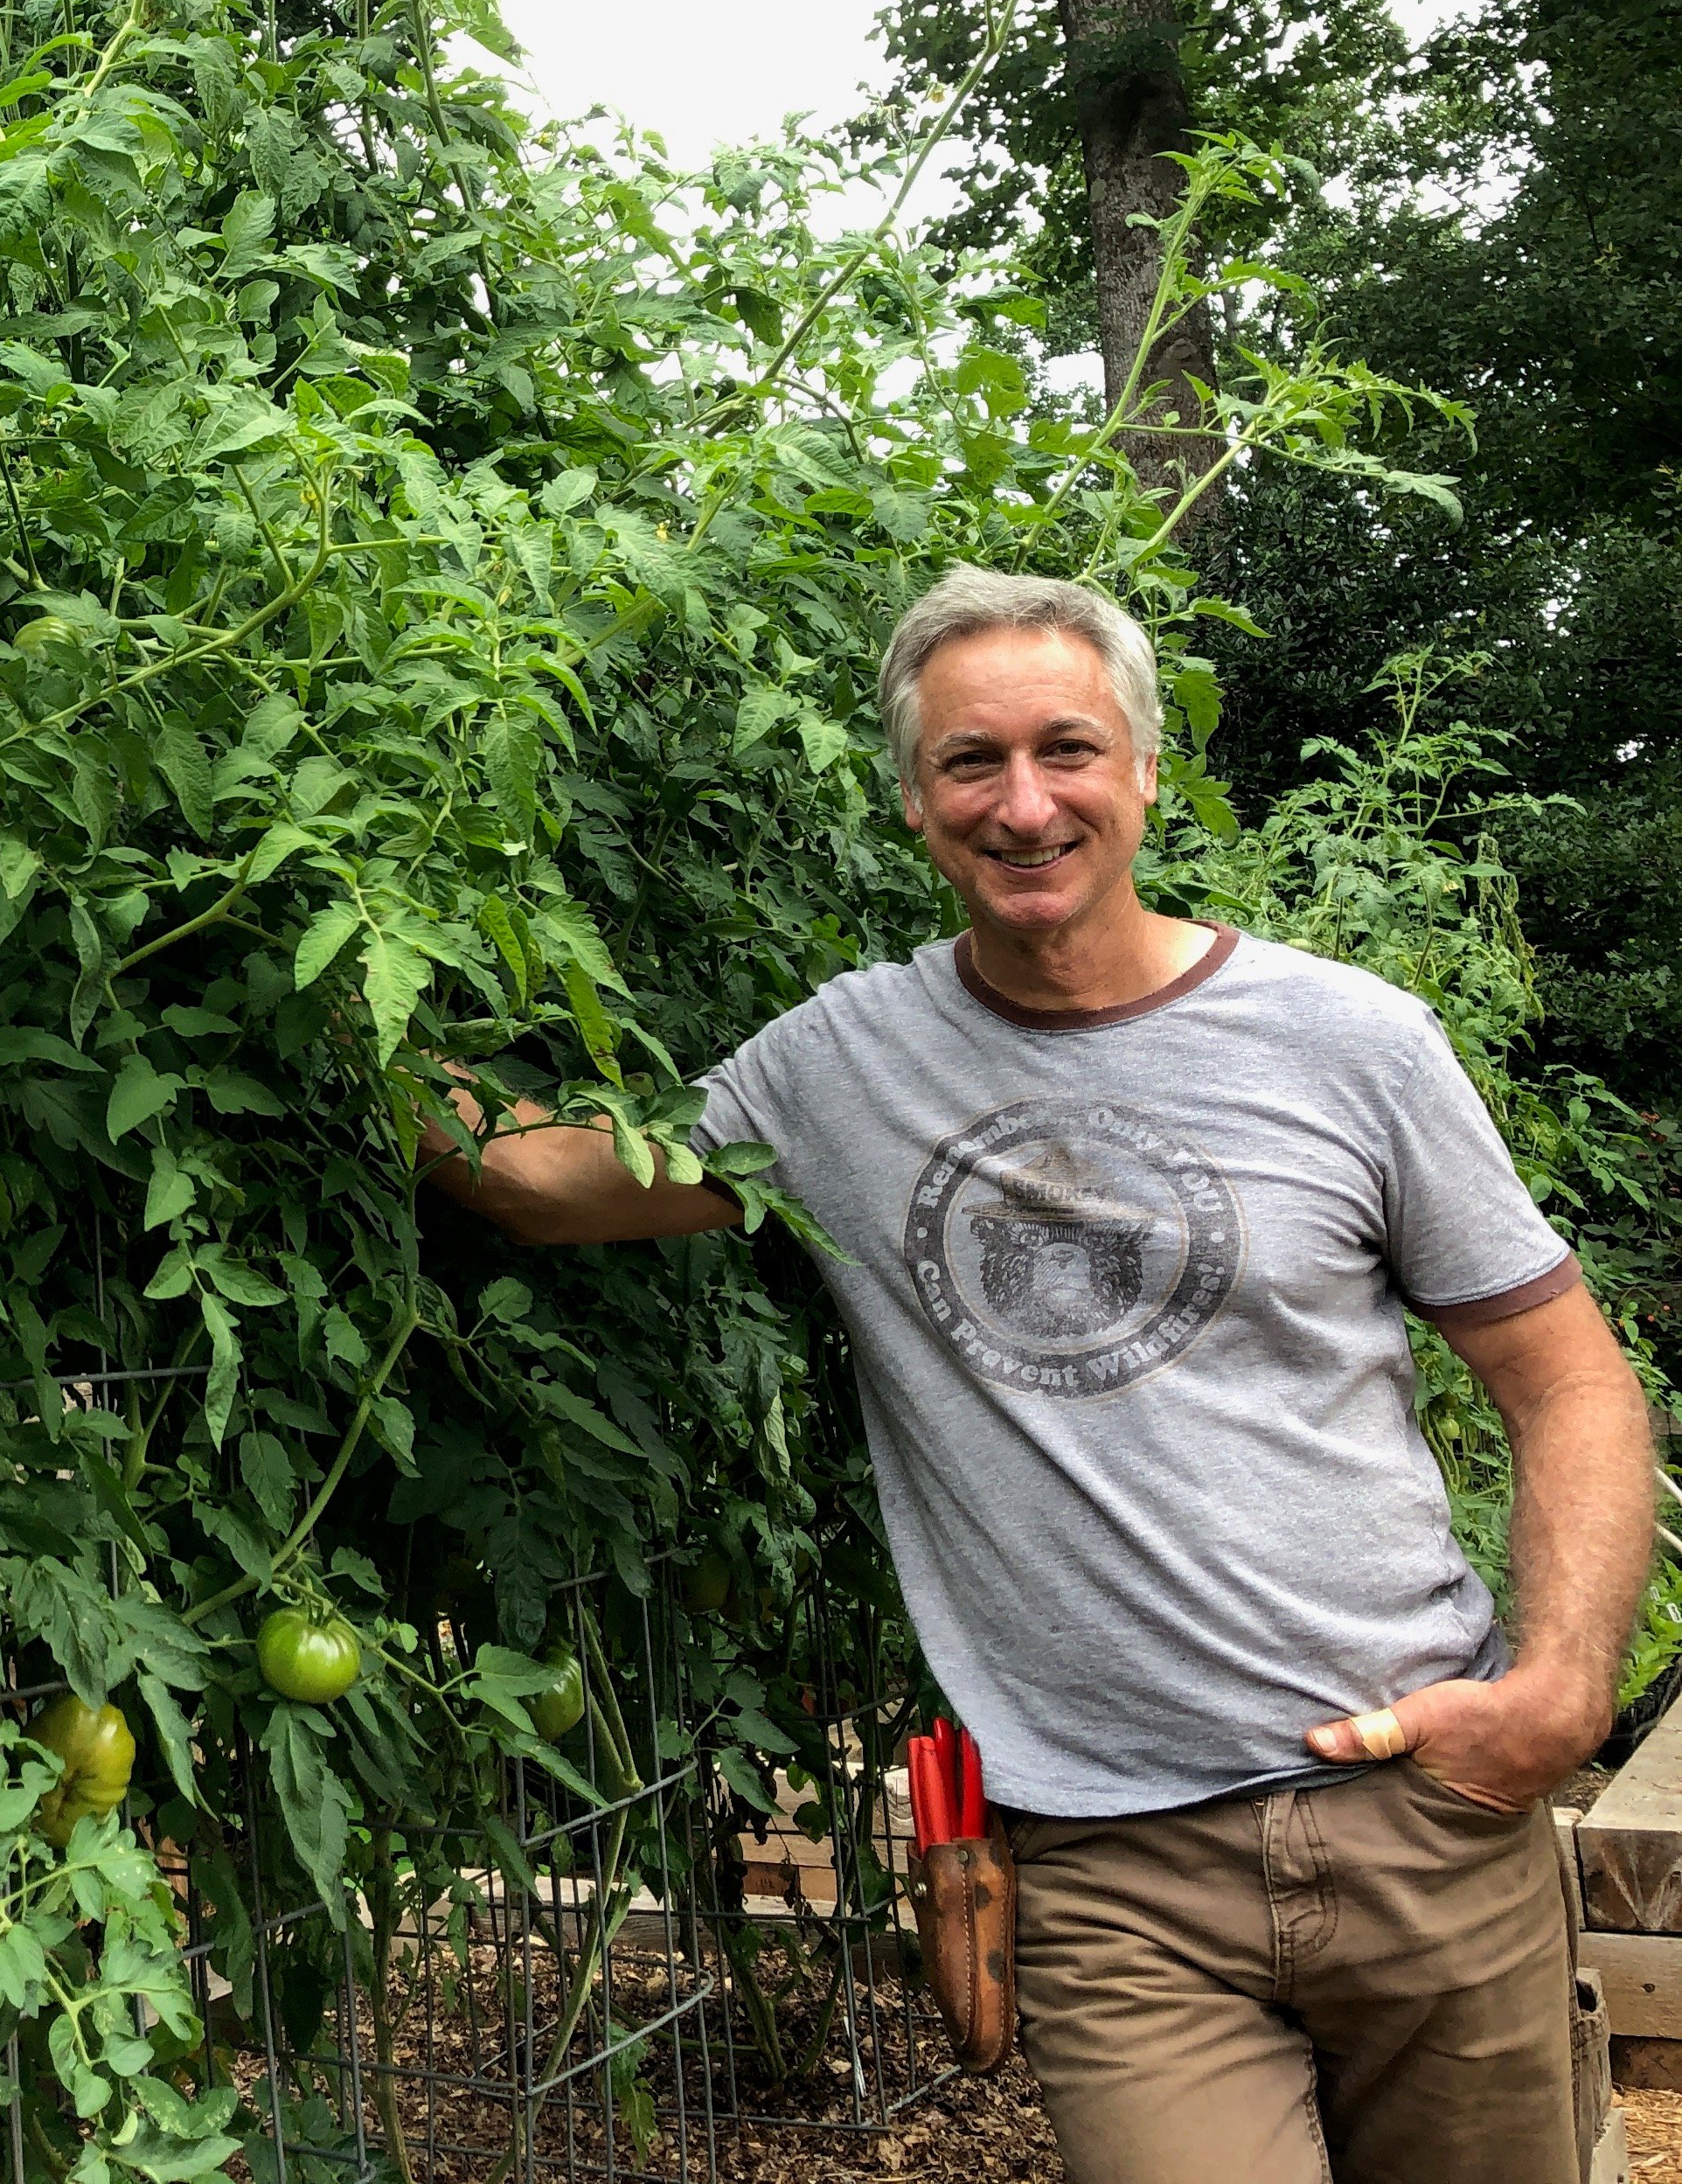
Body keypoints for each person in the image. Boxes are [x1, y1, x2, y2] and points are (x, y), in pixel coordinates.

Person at [416, 565, 1653, 2184]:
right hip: (1111, 1867)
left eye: (1066, 750)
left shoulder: (1348, 1042)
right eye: (967, 765)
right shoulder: (839, 1068)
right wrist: (333, 988)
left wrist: (1557, 1695)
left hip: (1421, 1809)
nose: (1023, 805)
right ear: (916, 808)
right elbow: (545, 1181)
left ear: (1142, 768)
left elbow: (1566, 1377)